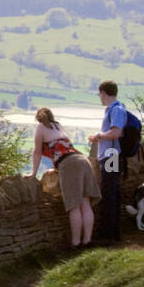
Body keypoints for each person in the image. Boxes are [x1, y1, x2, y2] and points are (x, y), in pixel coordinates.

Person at [33, 107, 99, 248]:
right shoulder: (58, 126)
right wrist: (57, 169)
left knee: (74, 205)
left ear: (38, 119)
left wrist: (33, 174)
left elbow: (37, 152)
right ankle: (87, 241)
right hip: (82, 160)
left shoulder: (40, 128)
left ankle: (76, 243)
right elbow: (64, 150)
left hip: (69, 164)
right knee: (85, 203)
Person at [88, 80, 126, 245]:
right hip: (111, 154)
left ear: (103, 92)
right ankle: (113, 233)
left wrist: (99, 135)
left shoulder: (116, 109)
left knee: (109, 194)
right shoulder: (115, 109)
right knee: (112, 192)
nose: (100, 98)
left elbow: (116, 132)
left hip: (111, 155)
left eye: (100, 94)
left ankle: (108, 235)